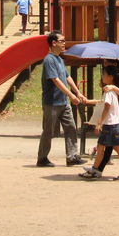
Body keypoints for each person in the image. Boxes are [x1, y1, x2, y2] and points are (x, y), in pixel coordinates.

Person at [79, 65, 119, 180]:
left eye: (104, 75)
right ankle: (96, 169)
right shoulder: (111, 90)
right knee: (102, 147)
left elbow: (107, 107)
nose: (102, 77)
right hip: (112, 124)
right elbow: (104, 103)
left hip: (111, 125)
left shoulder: (109, 91)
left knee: (116, 147)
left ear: (110, 77)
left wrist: (99, 123)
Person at [36, 31, 86, 168]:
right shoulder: (49, 60)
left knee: (71, 128)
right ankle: (42, 158)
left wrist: (77, 92)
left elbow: (67, 77)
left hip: (64, 102)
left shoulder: (59, 59)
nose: (64, 43)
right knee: (49, 131)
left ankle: (72, 156)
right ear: (54, 43)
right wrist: (71, 96)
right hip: (52, 103)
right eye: (62, 41)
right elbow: (55, 80)